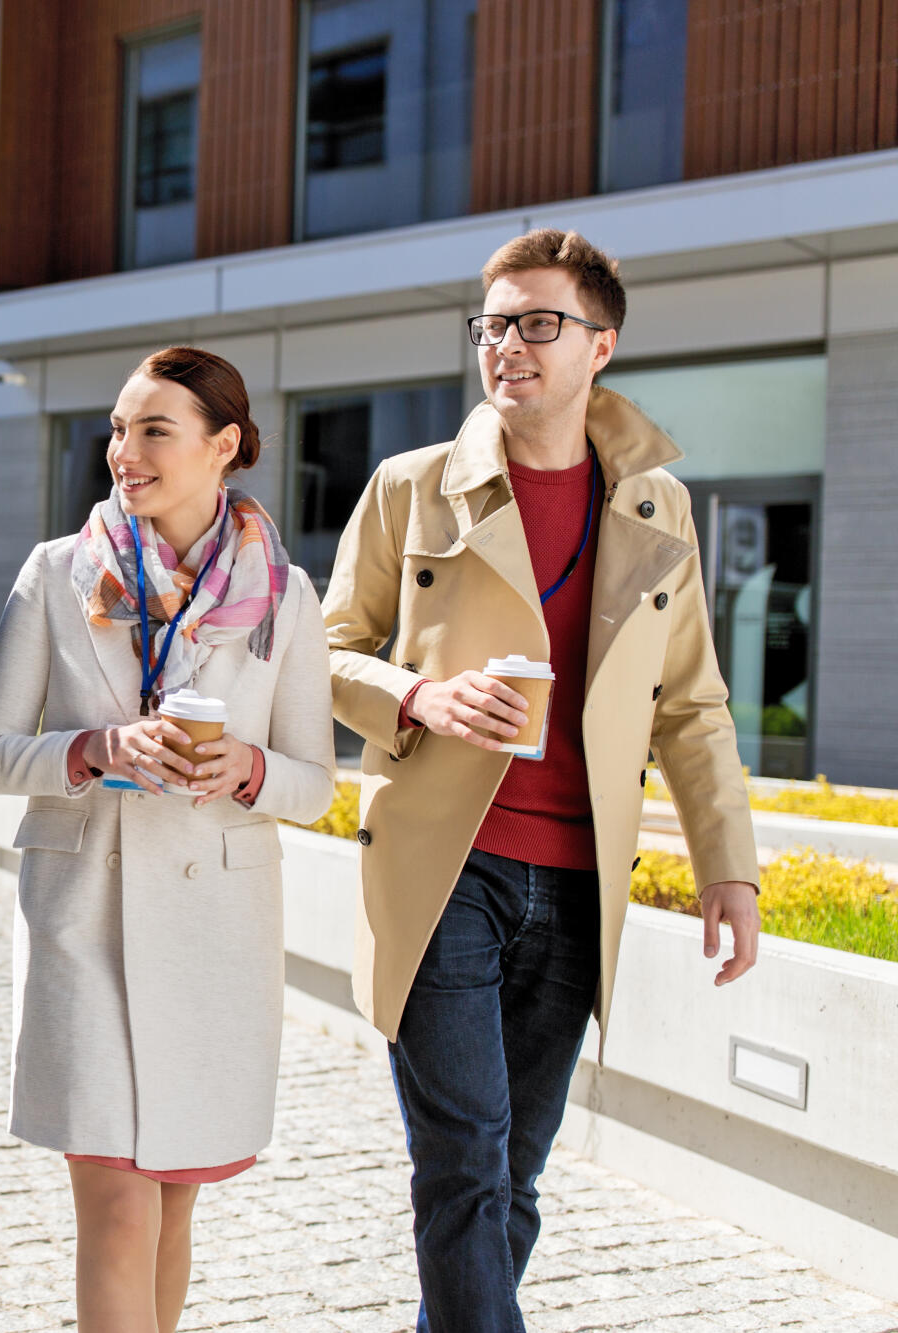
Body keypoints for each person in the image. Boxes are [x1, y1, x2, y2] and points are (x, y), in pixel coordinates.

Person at [323, 229, 763, 1332]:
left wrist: (729, 870)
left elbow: (692, 703)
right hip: (444, 866)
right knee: (464, 1161)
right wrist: (417, 698)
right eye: (490, 325)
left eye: (535, 323)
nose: (503, 346)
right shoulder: (407, 489)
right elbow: (322, 653)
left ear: (599, 345)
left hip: (575, 883)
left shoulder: (658, 509)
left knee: (510, 1176)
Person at [0, 347, 336, 1333]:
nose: (122, 452)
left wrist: (248, 772)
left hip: (214, 931)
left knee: (172, 1199)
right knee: (118, 1201)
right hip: (82, 918)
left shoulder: (285, 598)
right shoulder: (56, 573)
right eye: (117, 430)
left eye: (151, 430)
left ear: (224, 446)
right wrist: (91, 747)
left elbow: (315, 782)